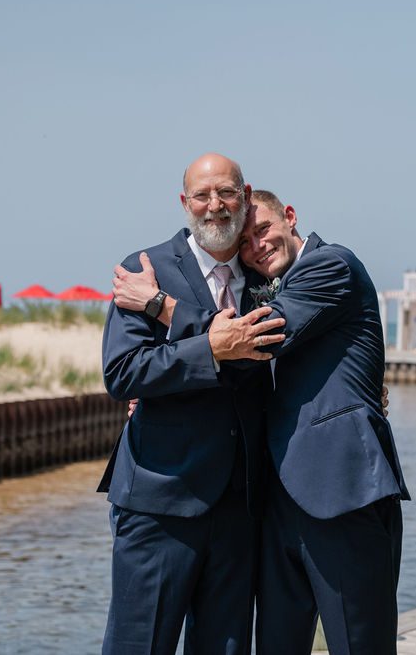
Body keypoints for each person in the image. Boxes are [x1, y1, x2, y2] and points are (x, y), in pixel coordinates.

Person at [113, 187, 410, 655]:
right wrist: (155, 397)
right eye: (246, 242)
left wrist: (160, 306)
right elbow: (234, 365)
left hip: (343, 491)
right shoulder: (262, 288)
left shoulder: (330, 264)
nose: (256, 245)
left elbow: (256, 339)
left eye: (264, 229)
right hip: (273, 504)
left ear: (290, 217)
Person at [99, 153, 286, 655]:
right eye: (202, 195)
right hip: (160, 501)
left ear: (245, 200)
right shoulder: (146, 270)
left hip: (238, 508)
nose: (214, 206)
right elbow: (122, 372)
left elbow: (269, 362)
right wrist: (209, 349)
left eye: (226, 193)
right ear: (185, 203)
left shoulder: (264, 275)